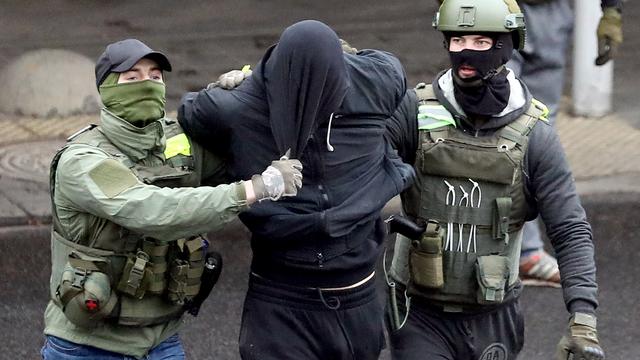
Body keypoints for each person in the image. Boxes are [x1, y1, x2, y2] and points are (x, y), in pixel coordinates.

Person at [41, 38, 302, 360]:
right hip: (89, 346)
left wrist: (241, 97)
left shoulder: (177, 141)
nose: (147, 85)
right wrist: (255, 189)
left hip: (162, 342)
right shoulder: (82, 160)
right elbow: (152, 210)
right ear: (107, 89)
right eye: (132, 78)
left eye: (155, 76)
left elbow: (243, 152)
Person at [178, 20, 414, 360]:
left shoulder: (376, 82)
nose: (314, 97)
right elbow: (190, 110)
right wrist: (227, 84)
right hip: (281, 298)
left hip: (355, 294)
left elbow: (385, 65)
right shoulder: (240, 106)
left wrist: (349, 54)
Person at [385, 1, 603, 359]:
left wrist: (583, 318)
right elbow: (358, 166)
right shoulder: (414, 111)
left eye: (481, 42)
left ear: (506, 45)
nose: (466, 53)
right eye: (457, 41)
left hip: (494, 317)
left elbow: (570, 228)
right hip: (420, 314)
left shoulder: (535, 136)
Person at [509, 0, 623, 288]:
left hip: (551, 10)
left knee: (539, 127)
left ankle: (526, 252)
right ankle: (486, 246)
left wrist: (611, 9)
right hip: (493, 8)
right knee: (497, 117)